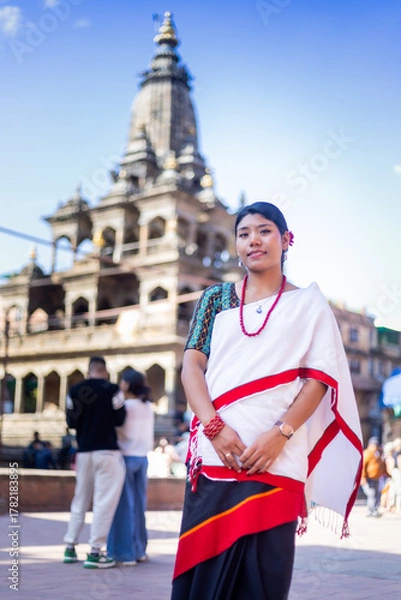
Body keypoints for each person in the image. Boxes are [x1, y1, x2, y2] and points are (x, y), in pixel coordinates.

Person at [171, 202, 363, 600]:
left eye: (264, 231)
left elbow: (317, 379)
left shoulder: (308, 304)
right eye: (244, 234)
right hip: (214, 457)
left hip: (277, 459)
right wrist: (215, 427)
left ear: (286, 240)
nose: (253, 240)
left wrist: (281, 435)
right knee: (202, 580)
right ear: (236, 245)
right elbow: (192, 367)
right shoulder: (216, 299)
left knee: (263, 582)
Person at [63, 355, 126, 568]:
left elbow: (71, 421)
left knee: (79, 498)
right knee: (103, 501)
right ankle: (95, 552)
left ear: (88, 370)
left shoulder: (74, 391)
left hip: (83, 452)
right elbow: (120, 419)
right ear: (105, 371)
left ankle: (70, 547)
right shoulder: (113, 390)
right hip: (107, 452)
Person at [107, 368, 155, 565]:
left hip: (126, 458)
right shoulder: (148, 406)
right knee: (138, 505)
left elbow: (119, 429)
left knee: (123, 507)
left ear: (126, 384)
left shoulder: (126, 405)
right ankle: (139, 549)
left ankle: (123, 553)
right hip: (142, 458)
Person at [361, 436, 388, 517]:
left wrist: (386, 473)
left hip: (376, 478)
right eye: (374, 445)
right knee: (371, 494)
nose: (376, 447)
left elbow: (382, 465)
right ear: (370, 445)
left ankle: (374, 509)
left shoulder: (378, 453)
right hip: (368, 479)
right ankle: (371, 510)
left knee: (376, 495)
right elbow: (362, 467)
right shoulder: (367, 453)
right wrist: (363, 478)